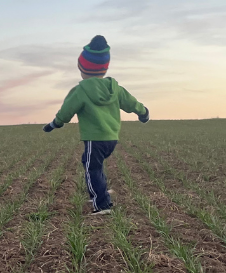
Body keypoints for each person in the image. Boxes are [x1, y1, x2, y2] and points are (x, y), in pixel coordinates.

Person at [43, 35, 150, 215]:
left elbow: (66, 112)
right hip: (112, 138)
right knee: (96, 165)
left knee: (91, 167)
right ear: (104, 68)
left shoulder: (80, 91)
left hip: (94, 138)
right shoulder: (115, 88)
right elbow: (131, 103)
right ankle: (100, 193)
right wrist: (143, 112)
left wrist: (55, 124)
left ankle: (102, 204)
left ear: (82, 67)